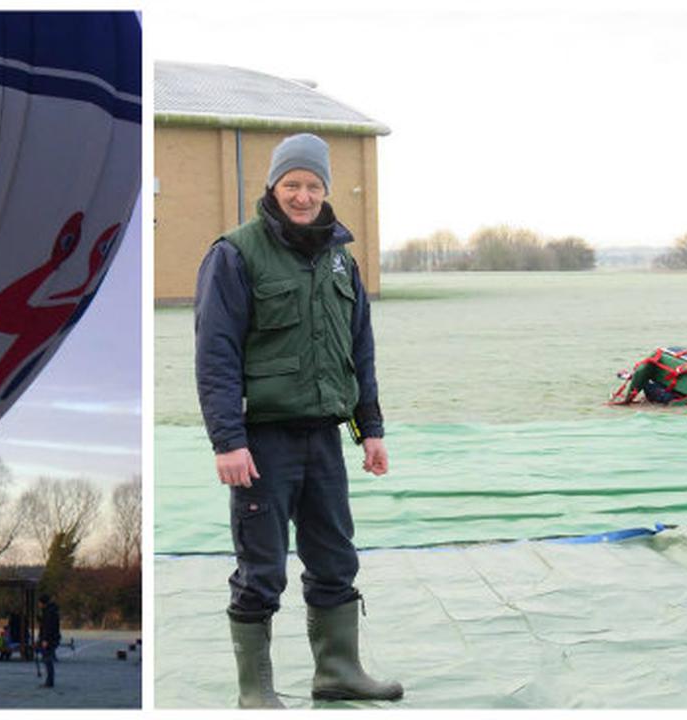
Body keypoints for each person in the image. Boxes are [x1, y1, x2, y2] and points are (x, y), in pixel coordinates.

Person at [194, 133, 403, 708]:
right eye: (293, 185)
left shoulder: (342, 257)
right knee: (262, 567)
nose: (303, 196)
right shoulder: (235, 254)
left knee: (335, 557)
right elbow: (215, 354)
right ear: (273, 186)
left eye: (313, 185)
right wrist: (227, 440)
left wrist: (371, 430)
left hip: (325, 440)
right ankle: (255, 691)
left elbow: (358, 350)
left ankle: (337, 670)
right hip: (262, 443)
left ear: (326, 190)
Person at [38, 594, 61, 688]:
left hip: (50, 639)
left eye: (39, 603)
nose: (38, 605)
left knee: (47, 659)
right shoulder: (51, 611)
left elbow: (48, 627)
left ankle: (49, 682)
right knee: (48, 659)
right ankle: (49, 680)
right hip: (53, 637)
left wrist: (45, 639)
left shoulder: (49, 612)